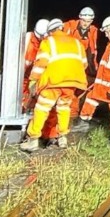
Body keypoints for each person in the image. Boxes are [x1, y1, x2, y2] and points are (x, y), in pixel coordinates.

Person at [19, 17, 87, 152]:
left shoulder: (48, 42)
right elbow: (84, 64)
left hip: (53, 83)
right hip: (72, 82)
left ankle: (33, 140)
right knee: (64, 109)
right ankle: (62, 137)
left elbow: (40, 64)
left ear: (50, 31)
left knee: (41, 109)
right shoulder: (76, 42)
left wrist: (33, 81)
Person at [72, 15, 110, 145]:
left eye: (107, 31)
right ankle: (83, 121)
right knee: (91, 97)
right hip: (104, 84)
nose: (105, 34)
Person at [22, 18, 60, 141]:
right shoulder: (27, 39)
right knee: (24, 103)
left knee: (47, 107)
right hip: (25, 78)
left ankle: (50, 135)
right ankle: (26, 129)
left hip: (44, 79)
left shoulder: (51, 42)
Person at [63, 7, 99, 117]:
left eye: (88, 21)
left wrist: (94, 70)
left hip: (82, 65)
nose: (85, 24)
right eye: (83, 21)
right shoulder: (69, 26)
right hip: (68, 64)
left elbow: (92, 51)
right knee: (68, 89)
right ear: (80, 18)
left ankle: (73, 114)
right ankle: (69, 114)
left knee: (79, 89)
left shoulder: (93, 31)